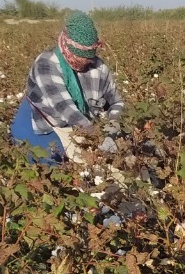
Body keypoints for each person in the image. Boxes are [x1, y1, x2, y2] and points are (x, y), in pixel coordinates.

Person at [9, 11, 124, 164]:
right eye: (82, 56)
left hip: (82, 125)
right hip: (41, 122)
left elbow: (116, 102)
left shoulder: (98, 67)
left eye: (91, 56)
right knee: (50, 162)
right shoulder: (46, 64)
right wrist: (97, 138)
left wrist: (113, 126)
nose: (88, 61)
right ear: (68, 49)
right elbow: (66, 109)